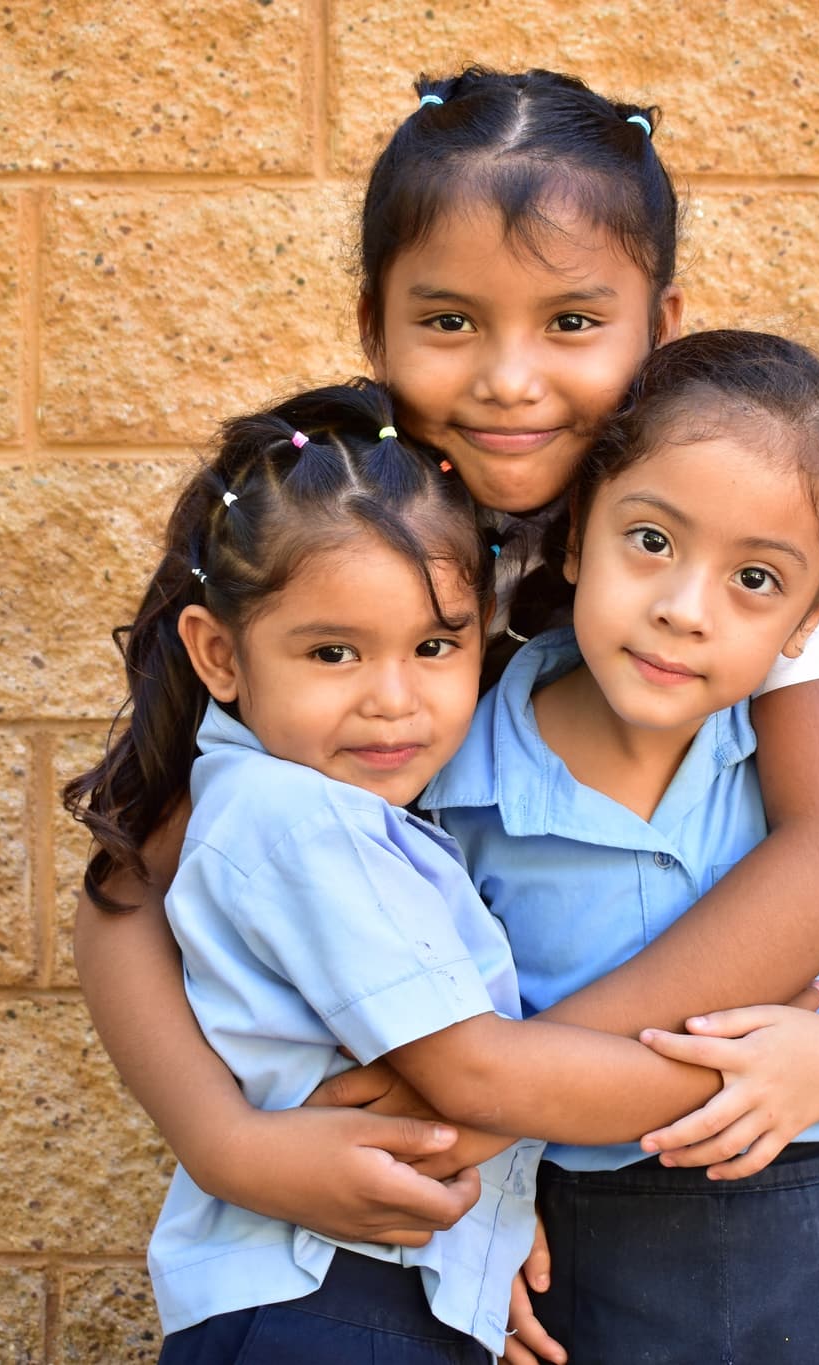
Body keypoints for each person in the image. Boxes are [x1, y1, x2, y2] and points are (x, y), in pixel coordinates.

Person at [73, 67, 819, 1264]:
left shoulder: (735, 536)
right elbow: (128, 888)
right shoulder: (321, 521)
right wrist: (228, 1146)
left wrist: (486, 1102)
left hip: (615, 1163)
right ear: (374, 322)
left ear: (661, 322)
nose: (510, 379)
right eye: (449, 322)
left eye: (572, 323)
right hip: (449, 1209)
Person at [65, 380, 752, 1362]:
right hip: (326, 1303)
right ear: (219, 655)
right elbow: (475, 1073)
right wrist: (735, 1073)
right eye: (334, 652)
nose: (393, 701)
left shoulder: (307, 805)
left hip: (349, 1295)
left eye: (435, 646)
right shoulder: (305, 823)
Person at [426, 330, 819, 1363]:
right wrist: (480, 1209)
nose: (684, 610)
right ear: (579, 532)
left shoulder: (811, 778)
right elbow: (446, 1042)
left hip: (818, 1221)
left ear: (816, 614)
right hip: (578, 1238)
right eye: (651, 543)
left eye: (755, 581)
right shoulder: (459, 786)